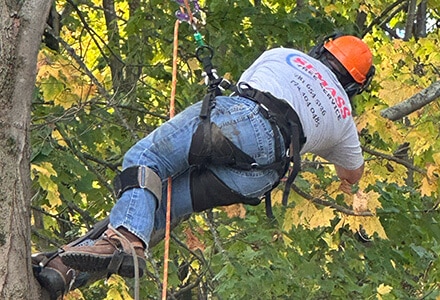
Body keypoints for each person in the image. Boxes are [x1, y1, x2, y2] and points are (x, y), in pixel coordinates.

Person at [32, 34, 375, 298]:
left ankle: (120, 245)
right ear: (353, 84)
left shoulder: (285, 55)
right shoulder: (344, 117)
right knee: (153, 206)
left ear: (322, 51)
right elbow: (352, 174)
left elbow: (248, 86)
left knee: (145, 159)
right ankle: (62, 273)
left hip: (241, 122)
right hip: (261, 174)